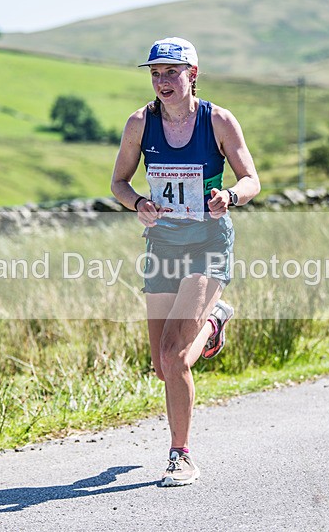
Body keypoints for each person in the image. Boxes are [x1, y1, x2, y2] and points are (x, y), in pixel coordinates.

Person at [110, 37, 261, 487]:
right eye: (155, 74)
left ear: (192, 74)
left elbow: (251, 178)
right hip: (163, 246)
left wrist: (229, 196)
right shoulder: (140, 123)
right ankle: (213, 325)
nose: (161, 81)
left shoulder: (218, 121)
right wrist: (137, 202)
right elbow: (118, 181)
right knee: (162, 365)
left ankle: (181, 455)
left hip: (207, 243)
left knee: (175, 357)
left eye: (170, 73)